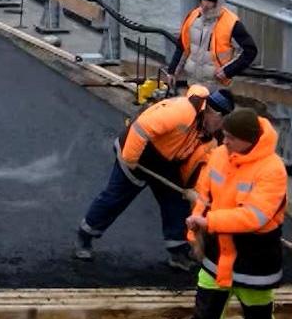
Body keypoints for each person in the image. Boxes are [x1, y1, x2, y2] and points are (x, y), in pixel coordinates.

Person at [167, 108, 288, 319]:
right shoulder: (220, 155)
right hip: (217, 254)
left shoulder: (272, 169)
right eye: (224, 135)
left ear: (249, 141)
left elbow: (255, 217)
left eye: (231, 137)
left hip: (255, 261)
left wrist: (210, 223)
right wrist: (196, 227)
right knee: (204, 317)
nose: (224, 141)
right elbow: (203, 195)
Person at [76, 83, 232, 270]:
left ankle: (178, 252)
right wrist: (131, 158)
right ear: (213, 113)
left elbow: (202, 168)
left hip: (166, 162)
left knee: (176, 202)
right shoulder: (183, 111)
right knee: (115, 198)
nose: (221, 128)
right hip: (138, 151)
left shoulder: (211, 137)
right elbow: (142, 128)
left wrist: (193, 192)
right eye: (221, 122)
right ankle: (85, 236)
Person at [167, 0, 259, 90]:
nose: (205, 4)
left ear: (218, 1)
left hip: (217, 86)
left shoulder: (231, 23)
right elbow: (182, 46)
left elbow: (250, 51)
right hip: (192, 83)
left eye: (210, 1)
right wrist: (172, 72)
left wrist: (227, 71)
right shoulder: (192, 17)